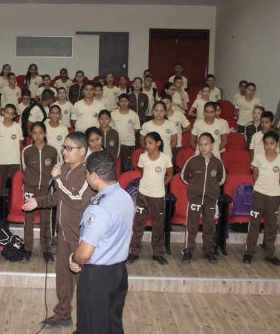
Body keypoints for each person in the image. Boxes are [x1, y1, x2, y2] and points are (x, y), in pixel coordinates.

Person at [22, 132, 94, 329]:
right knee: (63, 278)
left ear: (83, 151)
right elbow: (58, 197)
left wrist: (58, 178)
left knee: (83, 283)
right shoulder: (63, 168)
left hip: (80, 237)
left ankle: (86, 323)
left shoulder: (88, 172)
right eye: (64, 147)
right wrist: (38, 201)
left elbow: (77, 200)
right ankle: (62, 314)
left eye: (69, 148)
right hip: (62, 233)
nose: (64, 151)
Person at [68, 150, 133, 334]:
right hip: (119, 271)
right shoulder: (125, 197)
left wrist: (74, 257)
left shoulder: (100, 209)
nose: (87, 177)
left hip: (98, 277)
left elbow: (85, 253)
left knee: (92, 326)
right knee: (112, 324)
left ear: (94, 176)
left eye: (87, 174)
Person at [126, 132, 173, 265]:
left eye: (150, 143)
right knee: (138, 223)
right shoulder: (142, 157)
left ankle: (157, 253)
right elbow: (142, 172)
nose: (147, 145)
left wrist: (160, 185)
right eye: (146, 143)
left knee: (158, 224)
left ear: (158, 143)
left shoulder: (165, 158)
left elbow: (170, 175)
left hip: (158, 196)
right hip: (143, 194)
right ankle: (134, 251)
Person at [180, 132, 225, 264]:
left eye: (206, 144)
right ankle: (188, 250)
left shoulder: (217, 162)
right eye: (200, 144)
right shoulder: (193, 160)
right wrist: (194, 185)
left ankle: (208, 250)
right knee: (192, 225)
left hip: (210, 198)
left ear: (212, 146)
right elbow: (183, 175)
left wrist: (212, 187)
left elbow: (221, 179)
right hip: (195, 198)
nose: (203, 147)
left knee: (209, 225)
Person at [243, 131, 280, 266]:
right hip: (259, 194)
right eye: (266, 144)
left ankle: (270, 254)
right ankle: (249, 252)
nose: (269, 146)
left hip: (273, 196)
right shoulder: (258, 157)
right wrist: (261, 188)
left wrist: (270, 189)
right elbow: (255, 176)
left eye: (272, 143)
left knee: (271, 225)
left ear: (277, 144)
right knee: (254, 224)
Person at [21, 122, 59, 263]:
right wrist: (30, 182)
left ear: (45, 133)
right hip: (30, 188)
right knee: (28, 219)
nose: (37, 136)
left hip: (46, 189)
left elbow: (57, 171)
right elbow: (23, 168)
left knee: (46, 220)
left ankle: (46, 250)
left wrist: (51, 186)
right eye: (34, 133)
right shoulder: (26, 151)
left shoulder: (53, 151)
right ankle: (27, 249)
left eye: (40, 132)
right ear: (31, 134)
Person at [0, 104, 23, 188]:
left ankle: (15, 201)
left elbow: (20, 144)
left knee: (16, 185)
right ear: (3, 113)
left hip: (15, 160)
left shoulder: (17, 127)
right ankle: (1, 201)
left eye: (11, 113)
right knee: (1, 185)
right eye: (7, 112)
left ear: (14, 116)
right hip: (2, 160)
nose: (8, 115)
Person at [111, 94, 140, 170]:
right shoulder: (113, 114)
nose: (123, 103)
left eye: (125, 101)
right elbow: (110, 128)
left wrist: (128, 134)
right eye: (121, 101)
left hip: (129, 143)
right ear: (118, 103)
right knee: (115, 164)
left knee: (127, 165)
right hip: (115, 143)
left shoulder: (134, 115)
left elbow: (137, 128)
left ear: (129, 102)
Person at [163, 94, 191, 161]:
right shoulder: (159, 116)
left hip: (177, 145)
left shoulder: (179, 115)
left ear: (172, 103)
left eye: (167, 103)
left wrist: (178, 132)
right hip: (163, 146)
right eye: (163, 103)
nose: (165, 105)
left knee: (176, 167)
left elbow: (188, 127)